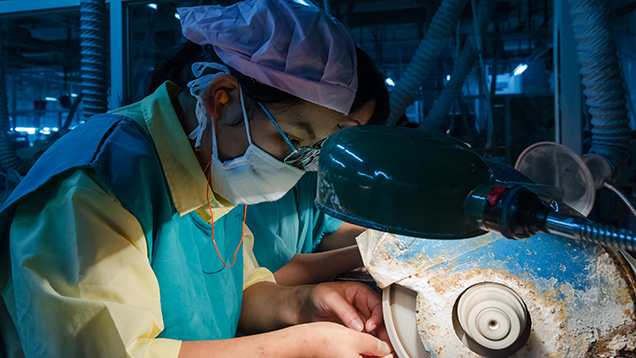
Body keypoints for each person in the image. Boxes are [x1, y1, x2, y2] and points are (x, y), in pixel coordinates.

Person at [0, 1, 393, 357]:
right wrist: (301, 345)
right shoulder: (91, 187)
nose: (293, 167)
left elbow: (241, 291)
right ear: (221, 98)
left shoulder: (212, 164)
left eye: (310, 151)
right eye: (290, 140)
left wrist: (305, 303)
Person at [245, 48, 390, 286]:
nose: (344, 143)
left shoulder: (308, 172)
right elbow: (270, 274)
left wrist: (391, 240)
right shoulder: (251, 174)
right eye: (343, 128)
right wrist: (372, 253)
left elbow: (327, 232)